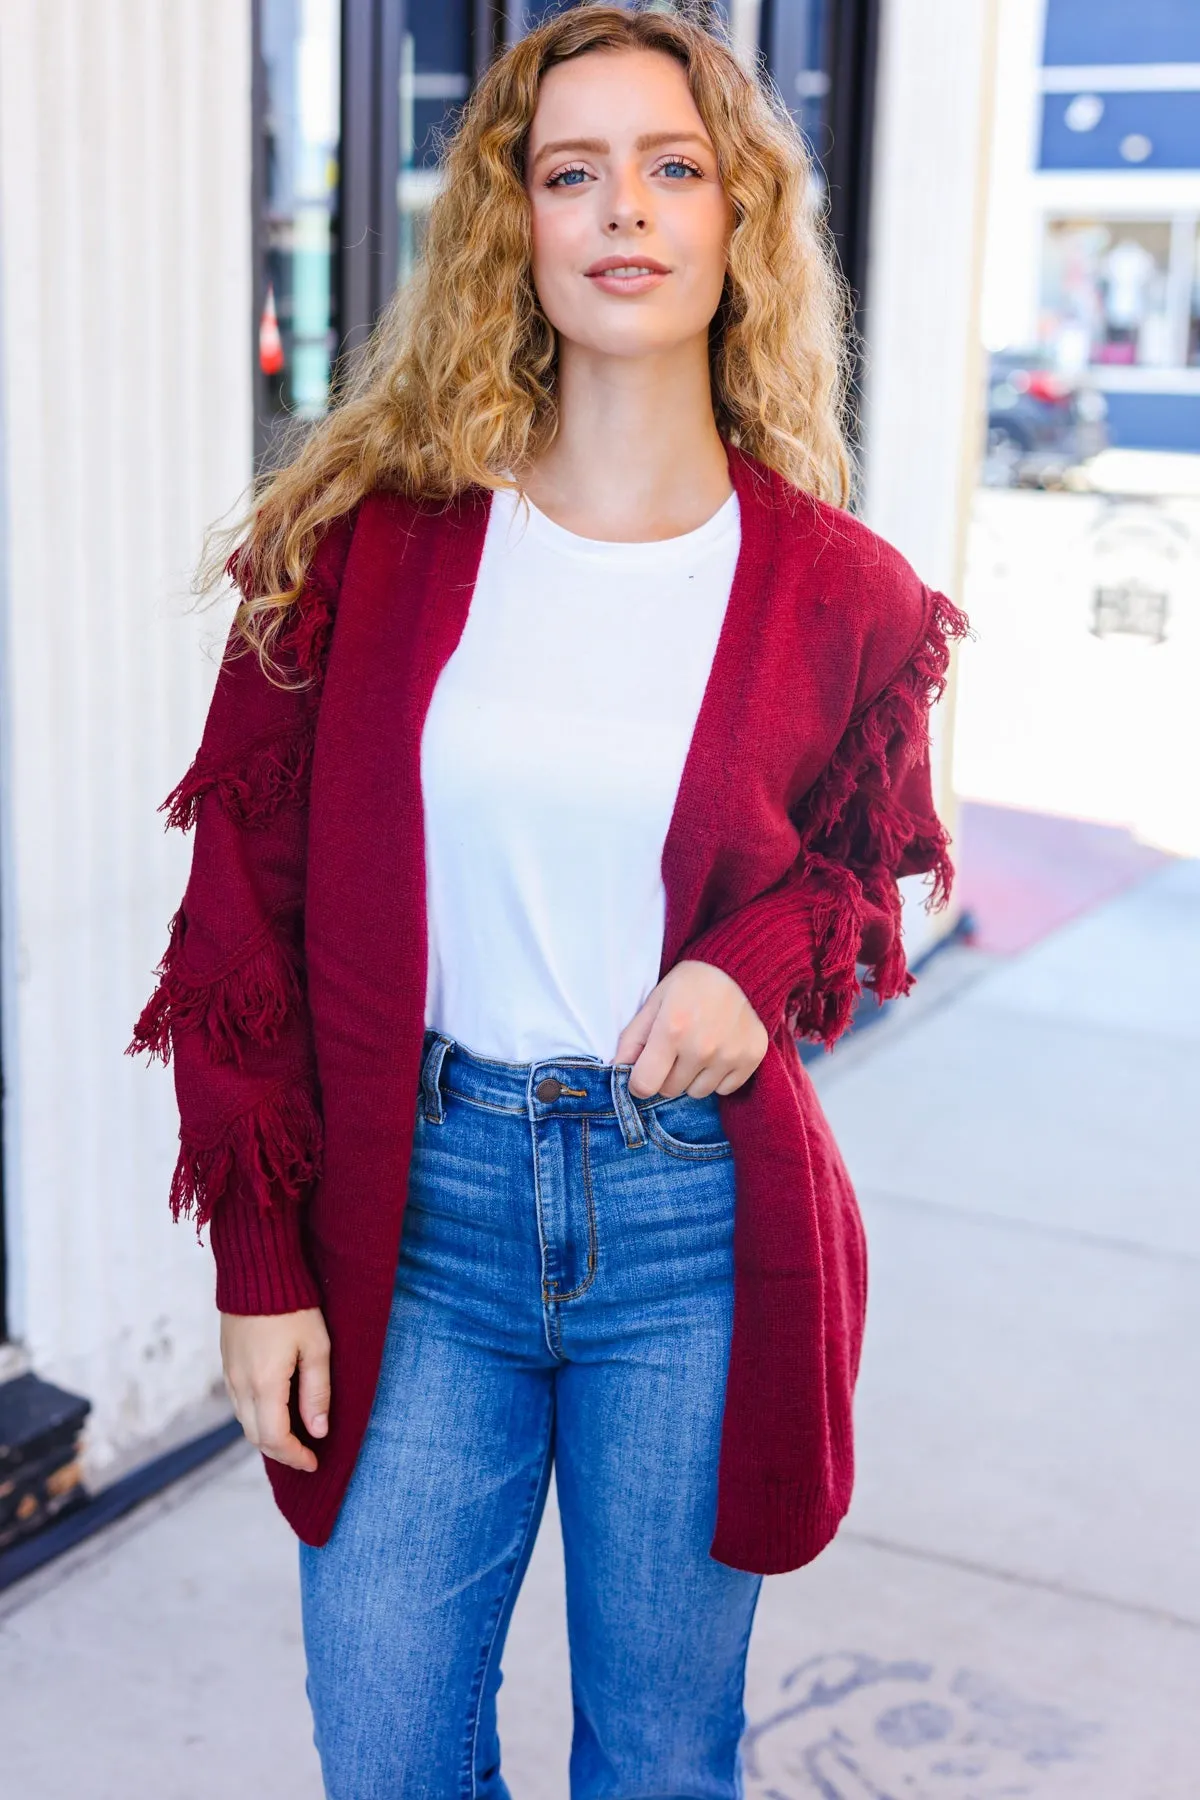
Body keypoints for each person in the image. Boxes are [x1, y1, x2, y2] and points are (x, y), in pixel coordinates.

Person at [128, 7, 968, 1797]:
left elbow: (855, 876)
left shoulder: (840, 593)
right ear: (515, 226)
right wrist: (262, 1263)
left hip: (687, 1236)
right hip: (412, 1213)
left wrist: (751, 967)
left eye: (673, 168)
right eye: (570, 172)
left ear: (740, 222)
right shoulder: (361, 542)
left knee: (661, 1761)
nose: (623, 211)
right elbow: (235, 929)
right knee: (387, 1748)